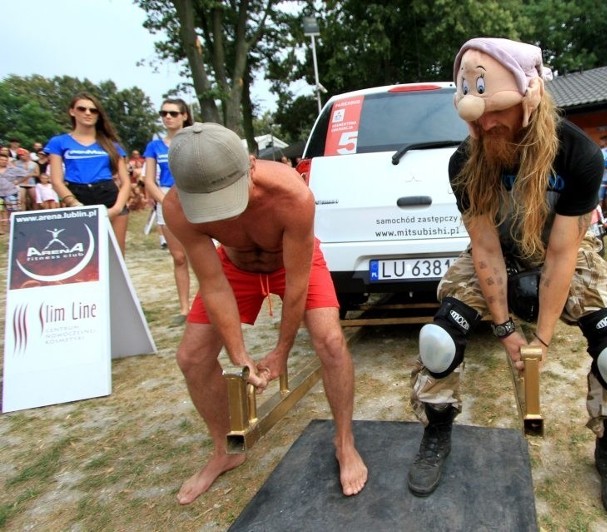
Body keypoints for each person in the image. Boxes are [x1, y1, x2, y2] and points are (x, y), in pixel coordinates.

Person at [408, 38, 607, 523]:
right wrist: (504, 330)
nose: (483, 125)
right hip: (500, 255)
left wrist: (541, 338)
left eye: (496, 111)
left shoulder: (577, 153)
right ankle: (436, 429)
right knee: (437, 340)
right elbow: (486, 250)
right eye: (473, 117)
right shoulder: (464, 162)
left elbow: (562, 256)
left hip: (566, 256)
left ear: (530, 96)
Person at [163, 122, 367, 505]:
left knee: (331, 341)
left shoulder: (292, 194)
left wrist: (281, 350)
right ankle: (226, 450)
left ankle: (344, 441)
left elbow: (297, 284)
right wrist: (240, 358)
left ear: (251, 165)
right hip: (234, 268)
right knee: (191, 357)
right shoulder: (177, 206)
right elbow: (213, 284)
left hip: (292, 264)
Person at [45, 92, 131, 255]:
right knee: (83, 255)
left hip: (109, 196)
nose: (88, 113)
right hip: (77, 196)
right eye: (82, 109)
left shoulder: (111, 145)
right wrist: (74, 204)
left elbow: (125, 182)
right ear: (72, 111)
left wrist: (117, 208)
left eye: (93, 110)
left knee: (116, 256)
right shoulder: (59, 142)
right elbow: (56, 181)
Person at [144, 99, 195, 326]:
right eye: (164, 113)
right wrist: (166, 202)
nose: (168, 117)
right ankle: (184, 308)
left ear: (184, 115)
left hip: (193, 196)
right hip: (166, 197)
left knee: (206, 255)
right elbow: (148, 180)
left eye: (173, 113)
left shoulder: (195, 140)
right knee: (179, 256)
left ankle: (210, 304)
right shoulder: (154, 147)